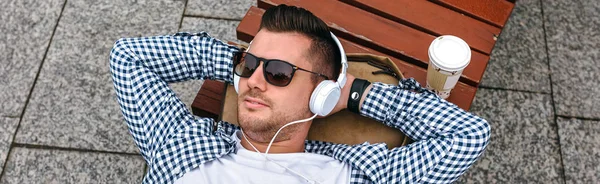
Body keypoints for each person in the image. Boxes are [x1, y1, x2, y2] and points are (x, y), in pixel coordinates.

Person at [109, 4, 490, 184]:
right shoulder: (180, 142)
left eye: (278, 73)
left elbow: (467, 136)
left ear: (320, 95)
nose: (255, 81)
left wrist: (354, 94)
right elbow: (127, 58)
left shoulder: (357, 175)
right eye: (252, 65)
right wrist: (236, 62)